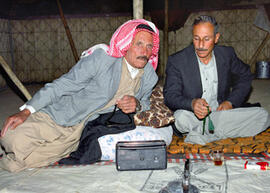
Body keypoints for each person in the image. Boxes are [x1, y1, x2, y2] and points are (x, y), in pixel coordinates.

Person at [0, 19, 173, 172]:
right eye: (139, 44)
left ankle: (43, 154)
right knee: (10, 138)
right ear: (127, 44)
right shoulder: (102, 59)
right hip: (60, 115)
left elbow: (145, 103)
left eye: (149, 46)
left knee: (20, 162)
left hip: (83, 130)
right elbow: (63, 84)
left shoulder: (149, 76)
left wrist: (137, 104)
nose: (145, 51)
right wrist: (27, 110)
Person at [164, 15, 270, 145]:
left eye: (206, 39)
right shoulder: (178, 61)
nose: (201, 45)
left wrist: (231, 102)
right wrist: (192, 104)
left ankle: (204, 136)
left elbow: (245, 75)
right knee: (179, 118)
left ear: (216, 38)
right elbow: (170, 96)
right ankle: (211, 133)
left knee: (262, 115)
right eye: (196, 39)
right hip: (192, 117)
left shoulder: (226, 55)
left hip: (220, 115)